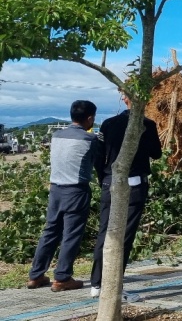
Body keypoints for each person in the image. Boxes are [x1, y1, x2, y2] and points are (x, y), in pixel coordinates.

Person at [89, 94, 163, 298]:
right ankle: (114, 286)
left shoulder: (108, 123)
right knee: (125, 236)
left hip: (109, 182)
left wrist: (102, 178)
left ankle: (96, 283)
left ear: (124, 99)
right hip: (134, 184)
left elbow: (98, 155)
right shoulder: (147, 124)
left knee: (105, 232)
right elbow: (156, 154)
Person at [27, 100, 100, 292]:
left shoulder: (57, 135)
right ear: (90, 118)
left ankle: (35, 275)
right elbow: (99, 161)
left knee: (50, 231)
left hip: (56, 189)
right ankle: (62, 278)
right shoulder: (90, 139)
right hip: (76, 190)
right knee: (71, 235)